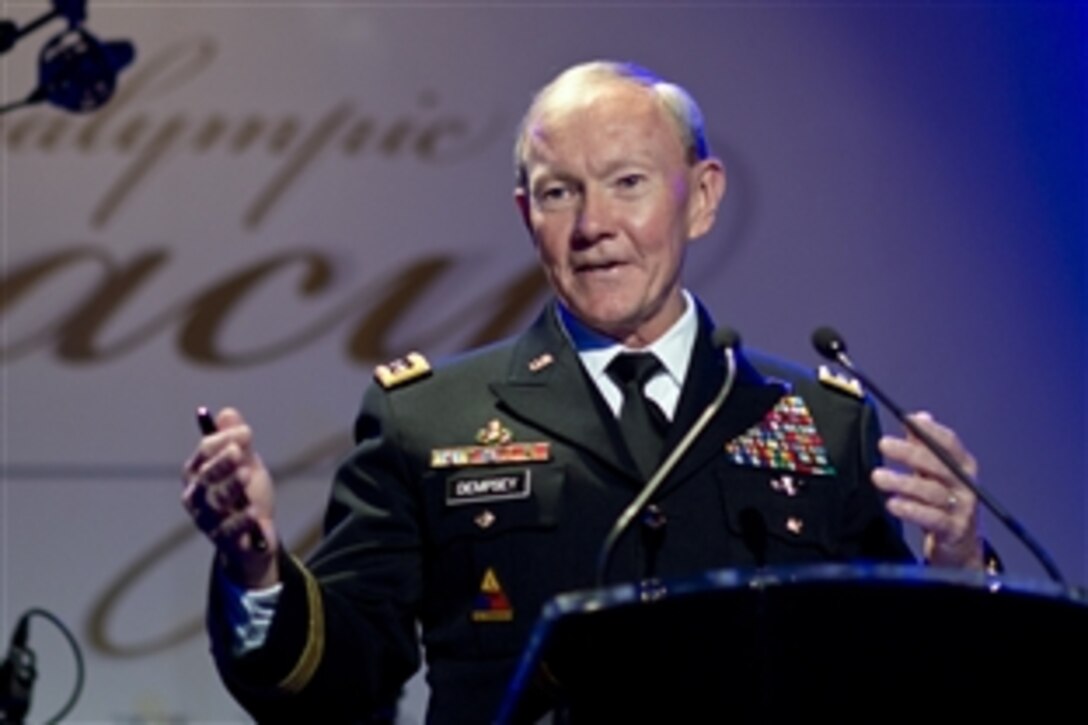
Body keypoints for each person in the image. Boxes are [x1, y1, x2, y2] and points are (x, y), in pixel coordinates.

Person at [182, 61, 986, 724]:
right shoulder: (427, 418)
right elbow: (343, 681)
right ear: (526, 214)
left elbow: (901, 683)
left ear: (701, 198)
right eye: (560, 192)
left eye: (627, 182)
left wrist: (954, 564)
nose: (593, 223)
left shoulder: (816, 419)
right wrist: (257, 570)